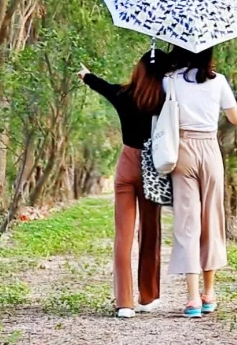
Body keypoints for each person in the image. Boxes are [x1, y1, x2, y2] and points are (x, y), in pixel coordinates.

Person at [78, 50, 169, 318]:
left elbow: (100, 85)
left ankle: (124, 303)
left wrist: (86, 75)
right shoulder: (164, 100)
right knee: (150, 233)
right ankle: (148, 296)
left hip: (126, 167)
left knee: (123, 235)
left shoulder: (123, 94)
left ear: (138, 70)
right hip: (153, 167)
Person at [163, 46, 237, 318]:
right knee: (212, 219)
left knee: (187, 222)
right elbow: (236, 119)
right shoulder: (217, 81)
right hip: (209, 149)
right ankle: (209, 293)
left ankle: (192, 298)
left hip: (180, 149)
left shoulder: (170, 79)